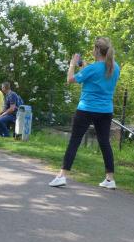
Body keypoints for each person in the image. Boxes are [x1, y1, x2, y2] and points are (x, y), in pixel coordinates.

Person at [49, 37, 120, 189]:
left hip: (86, 109)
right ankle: (110, 179)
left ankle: (62, 176)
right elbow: (98, 79)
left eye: (93, 48)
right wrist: (85, 68)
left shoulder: (92, 69)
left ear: (97, 50)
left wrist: (72, 64)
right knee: (104, 143)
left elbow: (70, 79)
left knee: (74, 141)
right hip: (106, 111)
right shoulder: (115, 68)